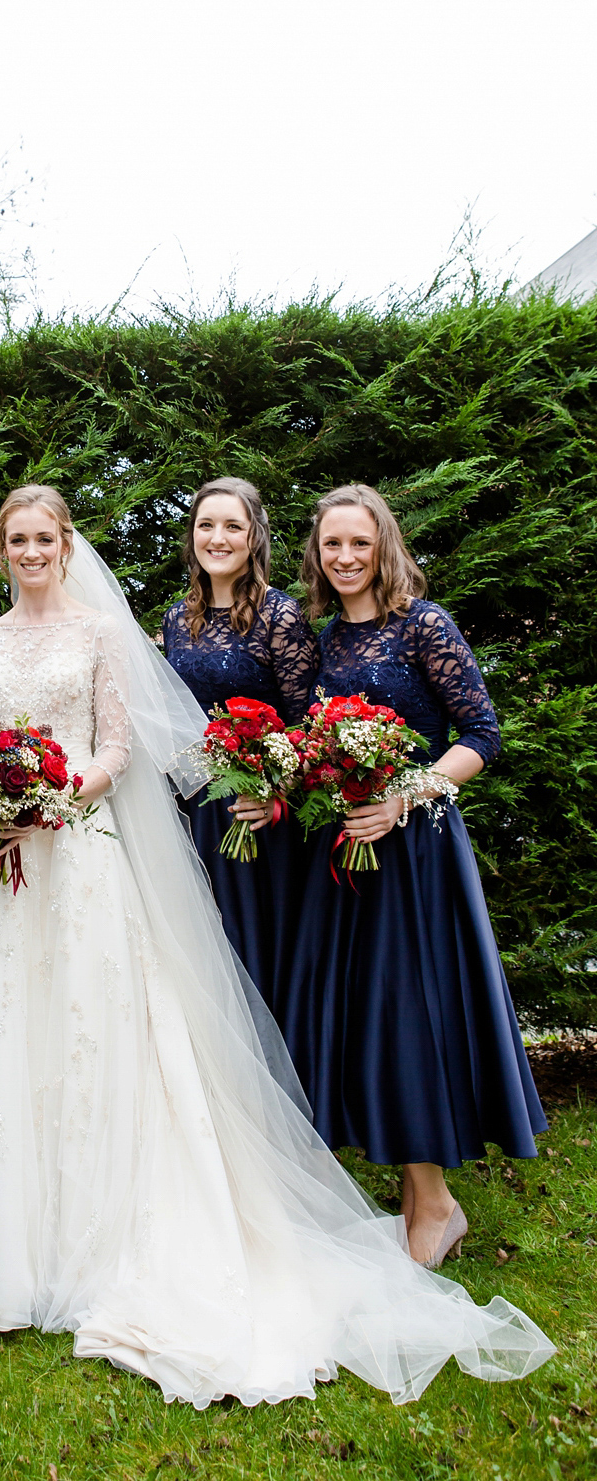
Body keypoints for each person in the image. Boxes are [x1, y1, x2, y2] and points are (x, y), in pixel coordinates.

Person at [0, 484, 553, 1408]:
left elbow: (122, 748)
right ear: (1, 549)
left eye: (44, 537)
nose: (30, 551)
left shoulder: (104, 634)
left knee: (101, 1031)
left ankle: (112, 1230)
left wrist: (54, 799)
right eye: (15, 539)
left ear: (66, 543)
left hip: (80, 847)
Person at [276, 484, 547, 1268]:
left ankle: (432, 1202)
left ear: (383, 545)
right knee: (358, 1015)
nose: (346, 557)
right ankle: (409, 1192)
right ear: (318, 555)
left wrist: (401, 796)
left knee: (409, 1015)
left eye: (359, 543)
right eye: (333, 545)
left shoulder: (423, 625)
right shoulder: (324, 640)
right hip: (346, 852)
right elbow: (312, 743)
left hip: (416, 849)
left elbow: (482, 733)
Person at [161, 477, 318, 1010]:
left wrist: (272, 787)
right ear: (193, 537)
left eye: (233, 526)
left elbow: (305, 725)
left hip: (258, 810)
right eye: (207, 525)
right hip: (193, 808)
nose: (218, 538)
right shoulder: (177, 619)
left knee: (254, 949)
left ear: (254, 538)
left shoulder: (281, 615)